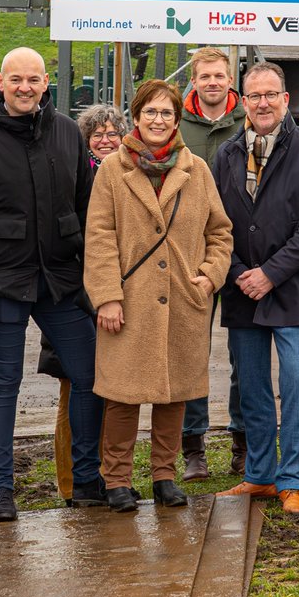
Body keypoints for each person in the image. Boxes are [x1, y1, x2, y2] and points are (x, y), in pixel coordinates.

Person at [0, 47, 104, 523]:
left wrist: (88, 277)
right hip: (0, 283)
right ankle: (0, 491)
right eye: (16, 80)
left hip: (60, 281)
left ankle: (86, 479)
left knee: (90, 376)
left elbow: (84, 207)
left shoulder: (67, 133)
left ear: (45, 81)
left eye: (33, 80)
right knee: (2, 385)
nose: (25, 88)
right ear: (1, 80)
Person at [84, 79, 234, 512]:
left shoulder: (196, 170)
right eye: (150, 112)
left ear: (176, 120)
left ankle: (165, 476)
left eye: (166, 113)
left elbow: (219, 232)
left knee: (174, 394)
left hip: (184, 301)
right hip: (129, 301)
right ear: (136, 117)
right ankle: (116, 479)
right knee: (122, 395)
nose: (158, 120)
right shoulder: (113, 169)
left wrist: (207, 278)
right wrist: (107, 296)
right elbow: (99, 237)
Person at [213, 62, 299, 517]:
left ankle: (294, 480)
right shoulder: (226, 154)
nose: (262, 103)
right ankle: (261, 476)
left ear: (286, 99)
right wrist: (241, 272)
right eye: (253, 96)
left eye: (271, 94)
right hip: (242, 288)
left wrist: (271, 273)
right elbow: (216, 223)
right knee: (252, 388)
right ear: (243, 102)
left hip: (293, 289)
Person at [44, 103, 129, 498]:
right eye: (97, 135)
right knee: (71, 390)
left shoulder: (129, 174)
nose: (106, 141)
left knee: (107, 392)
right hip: (71, 295)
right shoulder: (72, 178)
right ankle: (71, 482)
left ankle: (103, 475)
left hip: (113, 297)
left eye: (113, 134)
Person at [178, 47, 248, 477]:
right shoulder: (175, 125)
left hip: (243, 252)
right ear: (195, 81)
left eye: (219, 76)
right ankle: (193, 447)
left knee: (246, 353)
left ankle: (243, 441)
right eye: (204, 76)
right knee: (191, 350)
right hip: (190, 253)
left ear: (230, 79)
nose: (212, 83)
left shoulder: (251, 120)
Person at [78, 103, 127, 167]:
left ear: (122, 138)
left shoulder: (133, 167)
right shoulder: (77, 169)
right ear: (87, 140)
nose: (105, 141)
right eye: (97, 135)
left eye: (112, 135)